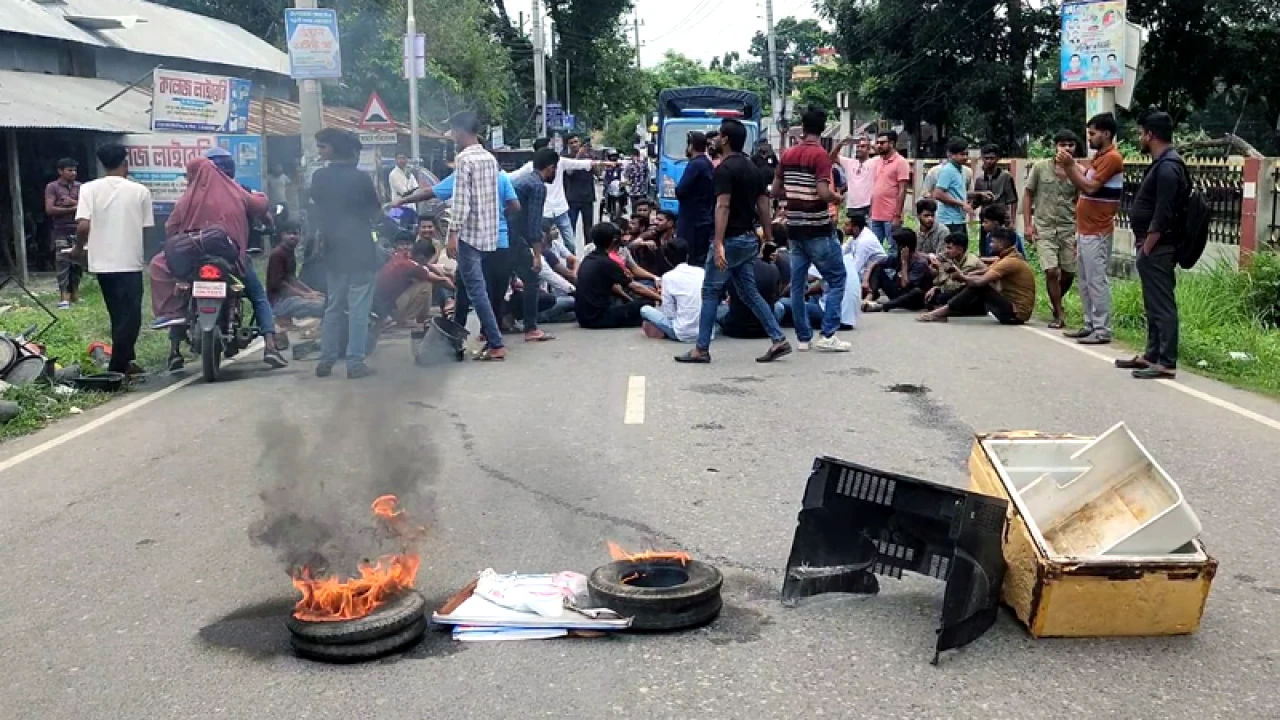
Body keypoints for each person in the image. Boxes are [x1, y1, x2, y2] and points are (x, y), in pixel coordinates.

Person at [675, 117, 792, 364]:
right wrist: (768, 238)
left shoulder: (724, 169)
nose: (715, 139)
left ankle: (701, 348)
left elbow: (723, 206)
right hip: (749, 239)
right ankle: (778, 338)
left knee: (710, 291)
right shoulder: (754, 169)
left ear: (725, 139)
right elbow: (763, 205)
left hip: (730, 240)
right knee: (749, 292)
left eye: (718, 135)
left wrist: (718, 244)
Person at [166, 155, 289, 369]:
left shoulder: (187, 197)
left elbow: (171, 227)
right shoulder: (237, 191)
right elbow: (261, 206)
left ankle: (174, 351)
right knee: (259, 296)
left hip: (194, 260)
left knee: (181, 294)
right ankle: (270, 345)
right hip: (232, 258)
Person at [772, 106, 851, 353]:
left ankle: (803, 338)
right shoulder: (821, 157)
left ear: (802, 127)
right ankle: (827, 334)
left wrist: (795, 194)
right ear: (823, 128)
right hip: (818, 228)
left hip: (794, 229)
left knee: (797, 285)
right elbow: (823, 192)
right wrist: (837, 198)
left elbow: (775, 191)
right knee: (837, 279)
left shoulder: (787, 155)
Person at [74, 143, 154, 376]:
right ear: (125, 163)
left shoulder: (88, 189)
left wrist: (79, 248)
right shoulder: (140, 191)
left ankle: (126, 362)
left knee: (117, 314)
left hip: (102, 263)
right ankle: (118, 366)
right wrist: (146, 256)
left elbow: (83, 225)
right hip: (129, 261)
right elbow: (146, 229)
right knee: (131, 317)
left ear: (102, 164)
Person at [309, 128, 383, 378]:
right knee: (359, 308)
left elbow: (317, 211)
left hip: (333, 250)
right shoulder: (360, 179)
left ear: (333, 150)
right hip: (360, 249)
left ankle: (326, 359)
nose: (319, 151)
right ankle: (354, 362)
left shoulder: (319, 177)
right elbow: (376, 212)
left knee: (333, 307)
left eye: (322, 146)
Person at [1119, 111, 1186, 380]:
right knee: (1153, 302)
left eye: (1140, 133)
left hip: (1159, 247)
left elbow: (1164, 213)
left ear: (1150, 134)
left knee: (1162, 304)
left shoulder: (1170, 167)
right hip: (1152, 246)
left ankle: (1166, 361)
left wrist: (1148, 246)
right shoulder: (1162, 163)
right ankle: (1152, 354)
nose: (1139, 138)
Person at [443, 112, 508, 360]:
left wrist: (453, 234)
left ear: (460, 130)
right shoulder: (490, 158)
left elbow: (461, 202)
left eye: (452, 131)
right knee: (466, 285)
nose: (452, 136)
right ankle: (455, 336)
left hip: (469, 235)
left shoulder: (464, 160)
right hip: (488, 233)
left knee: (476, 290)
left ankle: (496, 343)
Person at [1059, 112, 1124, 345]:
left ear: (1106, 134)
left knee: (1097, 280)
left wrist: (1069, 167)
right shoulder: (1098, 158)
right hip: (1085, 229)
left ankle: (1102, 328)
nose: (1089, 138)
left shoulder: (1112, 158)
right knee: (1086, 281)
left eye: (1093, 133)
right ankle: (1090, 324)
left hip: (1098, 229)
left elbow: (1089, 187)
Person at [1023, 129, 1081, 329]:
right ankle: (1059, 312)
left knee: (1069, 272)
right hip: (1044, 228)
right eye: (1062, 144)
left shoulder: (1079, 171)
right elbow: (1028, 194)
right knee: (1050, 271)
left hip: (1067, 229)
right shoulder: (1040, 168)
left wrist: (1079, 231)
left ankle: (1055, 300)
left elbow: (1080, 201)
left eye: (1070, 144)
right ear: (1055, 146)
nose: (1066, 148)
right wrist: (1028, 225)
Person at [919, 227, 1036, 325]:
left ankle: (941, 313)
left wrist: (962, 277)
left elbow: (980, 282)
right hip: (1011, 310)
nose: (990, 245)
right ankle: (944, 311)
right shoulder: (1006, 258)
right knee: (972, 285)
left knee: (980, 286)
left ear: (1001, 244)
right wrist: (965, 275)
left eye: (993, 242)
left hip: (1016, 314)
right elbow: (983, 272)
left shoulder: (1009, 262)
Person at [508, 148, 561, 342]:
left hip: (500, 236)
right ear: (550, 167)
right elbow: (534, 224)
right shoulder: (537, 186)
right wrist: (537, 255)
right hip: (513, 238)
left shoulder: (521, 182)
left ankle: (487, 329)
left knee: (498, 283)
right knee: (531, 279)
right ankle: (531, 328)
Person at [576, 223, 651, 329]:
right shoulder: (607, 262)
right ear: (614, 240)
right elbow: (636, 287)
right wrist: (660, 298)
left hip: (583, 318)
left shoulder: (588, 258)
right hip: (597, 318)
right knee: (645, 304)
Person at [373, 239, 451, 327]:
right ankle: (413, 318)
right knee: (426, 285)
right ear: (421, 258)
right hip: (389, 309)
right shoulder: (411, 266)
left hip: (381, 305)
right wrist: (458, 290)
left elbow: (428, 266)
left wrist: (444, 275)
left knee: (422, 281)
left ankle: (411, 317)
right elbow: (441, 280)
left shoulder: (402, 255)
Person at [718, 241, 783, 339]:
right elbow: (775, 297)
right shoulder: (772, 267)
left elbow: (720, 294)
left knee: (717, 309)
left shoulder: (731, 269)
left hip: (736, 327)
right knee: (779, 307)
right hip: (765, 329)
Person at [266, 221, 325, 327]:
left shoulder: (289, 251)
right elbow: (279, 284)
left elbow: (292, 278)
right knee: (321, 306)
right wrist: (303, 295)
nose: (292, 236)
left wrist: (310, 291)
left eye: (296, 233)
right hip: (279, 302)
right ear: (282, 235)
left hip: (288, 298)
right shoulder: (277, 254)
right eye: (289, 233)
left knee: (322, 299)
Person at [864, 229, 933, 312]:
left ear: (905, 247)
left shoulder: (920, 263)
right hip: (898, 292)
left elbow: (905, 285)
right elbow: (875, 262)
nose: (897, 247)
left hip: (912, 299)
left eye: (898, 245)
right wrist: (865, 281)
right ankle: (870, 297)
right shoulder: (897, 257)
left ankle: (882, 306)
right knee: (877, 269)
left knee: (917, 292)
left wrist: (904, 263)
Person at [641, 247, 702, 342]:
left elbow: (670, 314)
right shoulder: (701, 272)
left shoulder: (667, 277)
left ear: (666, 259)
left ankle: (664, 331)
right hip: (707, 332)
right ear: (687, 256)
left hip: (682, 332)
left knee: (645, 310)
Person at [676, 131, 716, 268]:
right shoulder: (707, 164)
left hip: (692, 220)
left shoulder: (695, 165)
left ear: (691, 146)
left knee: (691, 258)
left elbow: (681, 190)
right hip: (704, 218)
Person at [45, 158, 82, 308]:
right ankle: (64, 297)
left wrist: (71, 203)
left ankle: (75, 295)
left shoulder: (80, 186)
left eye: (75, 170)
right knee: (62, 263)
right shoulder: (52, 187)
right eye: (69, 170)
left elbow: (89, 205)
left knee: (77, 264)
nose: (73, 173)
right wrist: (75, 207)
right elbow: (50, 209)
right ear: (60, 171)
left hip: (79, 229)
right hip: (61, 230)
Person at [841, 212, 887, 328]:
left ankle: (869, 297)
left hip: (877, 272)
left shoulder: (864, 242)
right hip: (865, 270)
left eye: (847, 225)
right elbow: (843, 252)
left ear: (855, 228)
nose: (843, 227)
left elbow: (855, 269)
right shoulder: (855, 237)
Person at [869, 129, 911, 251]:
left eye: (882, 143)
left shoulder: (901, 162)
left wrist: (897, 215)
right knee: (875, 248)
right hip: (876, 214)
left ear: (892, 144)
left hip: (891, 215)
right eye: (877, 143)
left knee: (893, 248)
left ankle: (893, 270)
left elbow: (902, 189)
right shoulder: (877, 161)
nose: (879, 146)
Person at [924, 231, 986, 309]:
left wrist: (940, 269)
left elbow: (954, 286)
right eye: (946, 247)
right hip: (958, 289)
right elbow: (939, 282)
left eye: (949, 248)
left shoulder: (970, 263)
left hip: (975, 295)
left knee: (941, 298)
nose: (946, 251)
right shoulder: (954, 258)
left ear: (960, 249)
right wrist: (936, 286)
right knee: (930, 296)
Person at [933, 139, 974, 238]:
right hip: (949, 220)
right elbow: (938, 193)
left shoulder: (961, 170)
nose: (965, 157)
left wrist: (980, 194)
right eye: (962, 154)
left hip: (959, 218)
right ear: (951, 154)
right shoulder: (948, 170)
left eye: (966, 154)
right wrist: (962, 204)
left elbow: (957, 192)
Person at [830, 135, 875, 221]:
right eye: (857, 146)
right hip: (852, 206)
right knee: (854, 233)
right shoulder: (850, 162)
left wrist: (871, 143)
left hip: (867, 206)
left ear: (869, 149)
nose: (859, 149)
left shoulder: (874, 162)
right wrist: (841, 143)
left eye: (863, 146)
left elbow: (884, 156)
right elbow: (831, 157)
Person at [563, 135, 597, 239]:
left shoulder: (588, 157)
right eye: (571, 143)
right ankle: (570, 253)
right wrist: (578, 156)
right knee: (570, 229)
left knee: (588, 229)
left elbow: (598, 173)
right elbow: (569, 172)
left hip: (587, 197)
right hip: (572, 199)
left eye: (576, 142)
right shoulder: (565, 158)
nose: (574, 145)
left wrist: (592, 160)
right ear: (568, 145)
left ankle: (589, 252)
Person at [972, 144, 1018, 218]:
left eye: (992, 158)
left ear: (997, 158)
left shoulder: (1005, 177)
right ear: (982, 159)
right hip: (985, 219)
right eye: (986, 158)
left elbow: (1013, 200)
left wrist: (1012, 220)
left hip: (1001, 218)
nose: (989, 161)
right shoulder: (979, 180)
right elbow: (976, 202)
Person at [631, 209, 680, 278]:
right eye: (656, 219)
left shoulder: (676, 239)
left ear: (670, 223)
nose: (656, 222)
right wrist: (643, 243)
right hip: (649, 277)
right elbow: (630, 246)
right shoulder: (650, 234)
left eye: (660, 220)